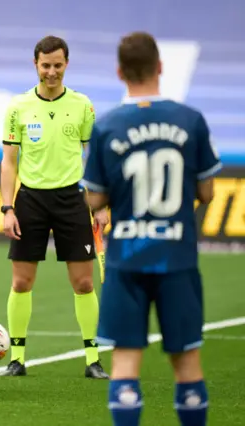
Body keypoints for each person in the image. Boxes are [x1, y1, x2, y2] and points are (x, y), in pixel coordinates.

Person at [81, 31, 221, 426]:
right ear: (160, 67)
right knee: (187, 360)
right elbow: (208, 192)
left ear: (119, 71)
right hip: (177, 257)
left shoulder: (107, 126)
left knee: (125, 360)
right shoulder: (190, 121)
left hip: (126, 259)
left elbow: (94, 200)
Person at [0, 35, 110, 379]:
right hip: (30, 200)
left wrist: (101, 205)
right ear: (36, 65)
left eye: (57, 65)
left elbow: (95, 159)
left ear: (66, 64)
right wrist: (7, 208)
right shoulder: (18, 107)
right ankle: (16, 358)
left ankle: (92, 360)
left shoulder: (82, 105)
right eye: (45, 65)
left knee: (84, 284)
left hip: (71, 200)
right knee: (21, 282)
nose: (51, 72)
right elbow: (8, 162)